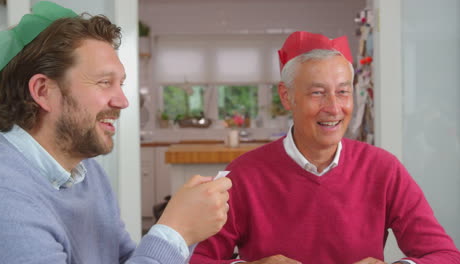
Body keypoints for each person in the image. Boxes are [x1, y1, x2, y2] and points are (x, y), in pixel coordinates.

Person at [0, 1, 231, 264]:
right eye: (104, 82)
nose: (122, 101)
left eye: (121, 84)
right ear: (43, 92)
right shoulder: (2, 196)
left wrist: (187, 225)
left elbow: (127, 259)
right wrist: (176, 231)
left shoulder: (86, 173)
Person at [191, 31, 460, 264]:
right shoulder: (242, 176)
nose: (333, 108)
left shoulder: (384, 169)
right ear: (287, 96)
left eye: (343, 92)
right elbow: (198, 259)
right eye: (318, 92)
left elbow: (445, 255)